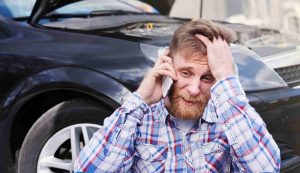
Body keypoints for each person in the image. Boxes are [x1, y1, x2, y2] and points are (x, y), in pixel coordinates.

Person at [74, 19, 280, 172]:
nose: (193, 89)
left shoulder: (229, 119)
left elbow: (266, 169)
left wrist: (226, 78)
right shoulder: (138, 118)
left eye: (207, 78)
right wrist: (139, 100)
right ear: (167, 64)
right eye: (186, 73)